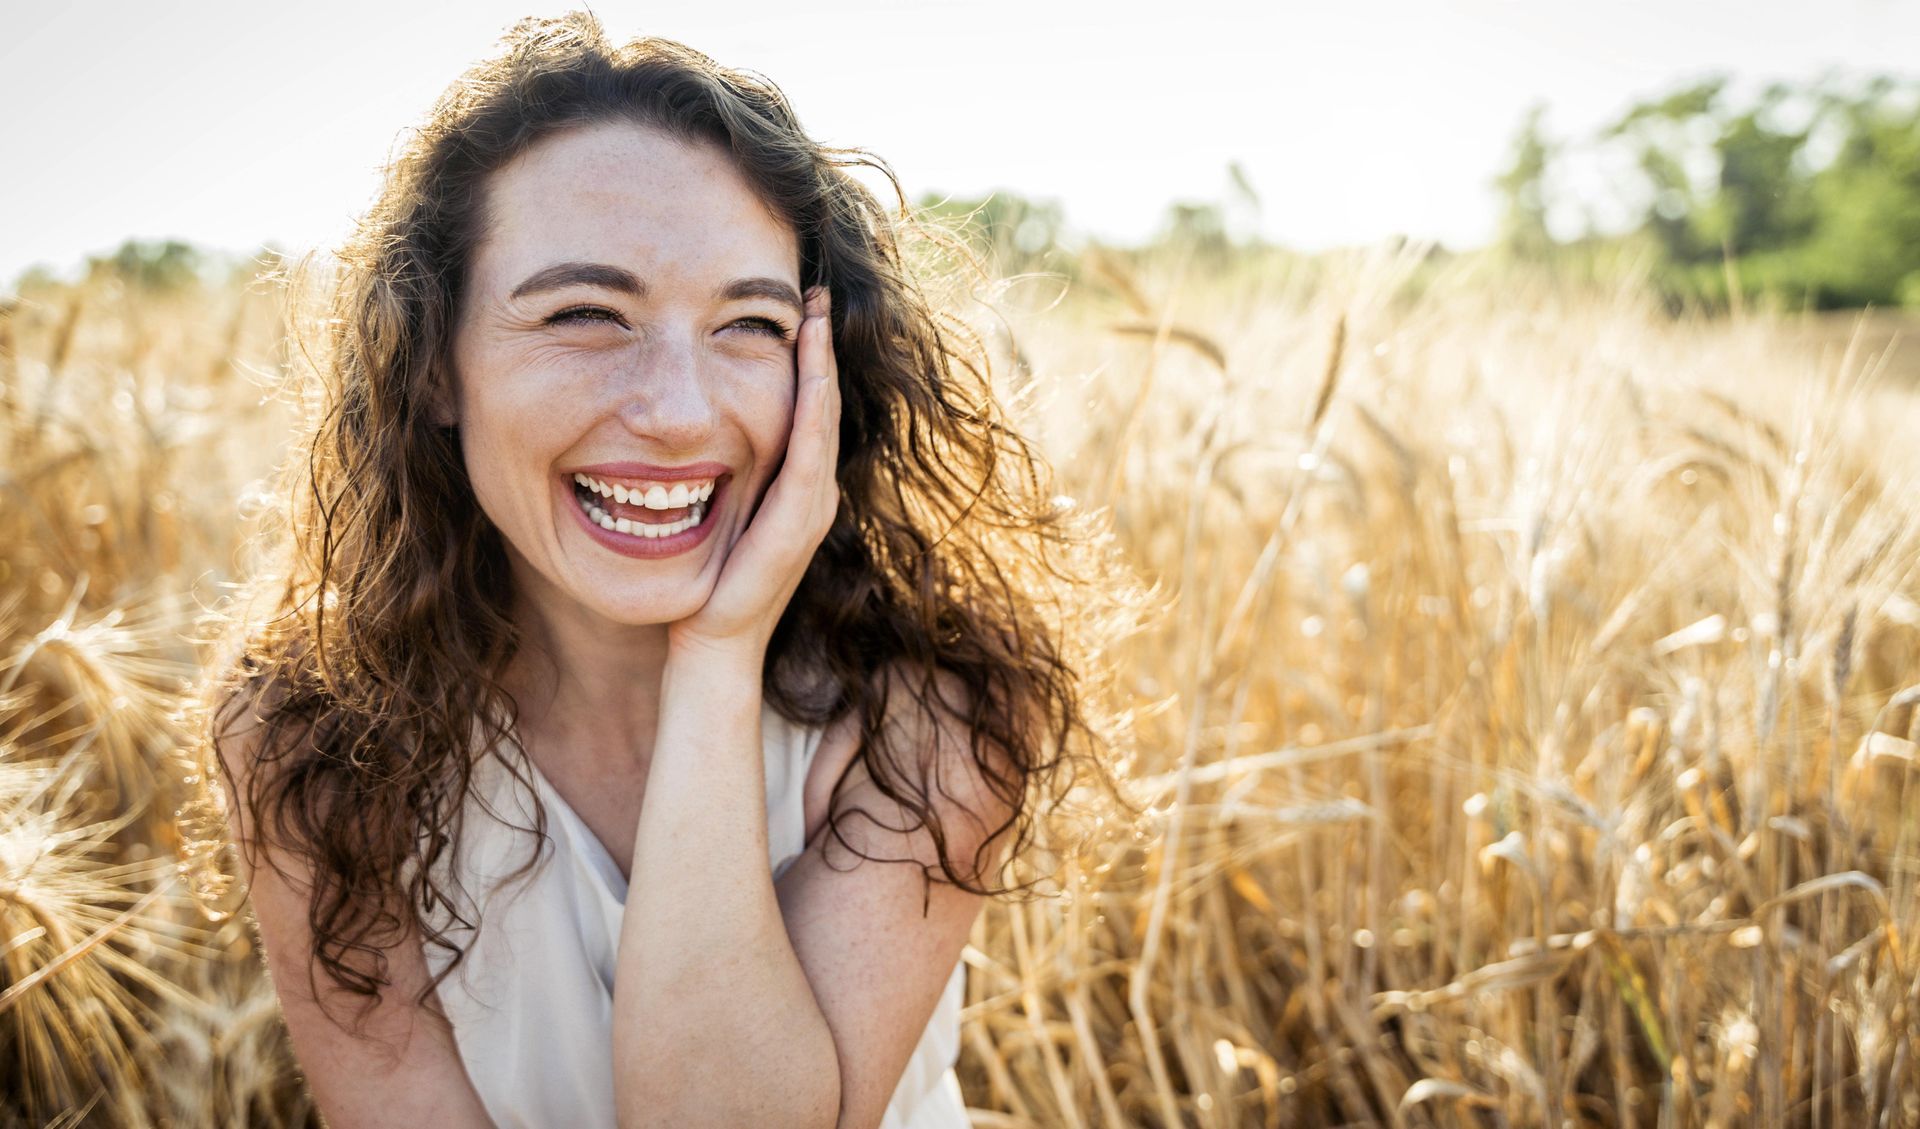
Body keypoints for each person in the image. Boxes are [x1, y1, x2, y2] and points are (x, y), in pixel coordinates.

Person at [181, 12, 1143, 1129]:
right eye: (586, 314)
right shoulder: (311, 741)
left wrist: (720, 656)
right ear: (435, 364)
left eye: (749, 325)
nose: (681, 414)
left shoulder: (928, 712)